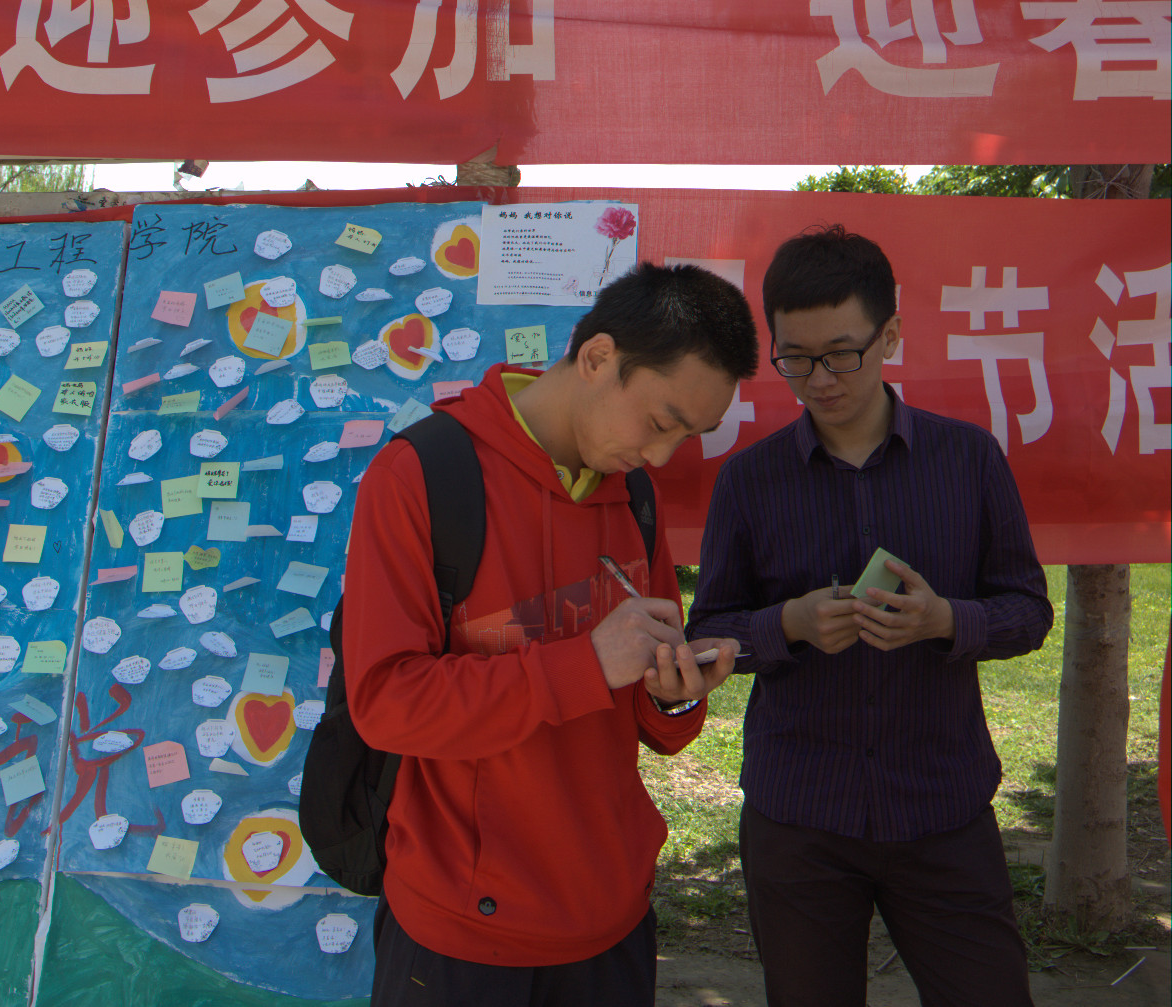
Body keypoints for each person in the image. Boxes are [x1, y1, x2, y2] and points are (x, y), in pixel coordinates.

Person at [342, 262, 759, 1006]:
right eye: (660, 422)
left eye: (688, 436)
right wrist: (585, 664)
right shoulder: (420, 475)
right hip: (460, 935)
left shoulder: (634, 494)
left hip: (611, 920)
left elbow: (655, 722)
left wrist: (675, 693)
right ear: (597, 357)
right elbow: (385, 702)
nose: (662, 455)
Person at [688, 225, 1053, 1007]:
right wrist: (787, 624)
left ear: (889, 335)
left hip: (941, 806)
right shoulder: (749, 481)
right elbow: (708, 635)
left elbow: (1028, 612)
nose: (820, 379)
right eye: (795, 358)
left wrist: (945, 620)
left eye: (842, 353)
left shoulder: (969, 460)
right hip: (800, 816)